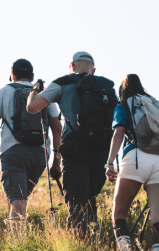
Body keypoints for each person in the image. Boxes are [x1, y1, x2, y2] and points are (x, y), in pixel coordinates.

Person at [27, 51, 113, 234]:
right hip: (102, 149)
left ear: (72, 66)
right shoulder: (105, 86)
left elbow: (32, 107)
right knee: (91, 198)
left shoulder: (63, 82)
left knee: (76, 199)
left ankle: (77, 245)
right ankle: (92, 241)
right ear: (93, 70)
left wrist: (35, 89)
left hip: (75, 148)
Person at [105, 74, 159, 251]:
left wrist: (110, 162)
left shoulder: (124, 105)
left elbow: (119, 133)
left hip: (136, 157)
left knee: (119, 212)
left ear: (122, 90)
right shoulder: (156, 105)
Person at [0, 59, 62, 227]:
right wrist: (57, 162)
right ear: (32, 76)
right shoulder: (44, 94)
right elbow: (57, 128)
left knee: (18, 202)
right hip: (40, 155)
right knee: (18, 199)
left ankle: (17, 248)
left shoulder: (5, 91)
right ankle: (14, 240)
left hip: (13, 152)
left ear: (12, 75)